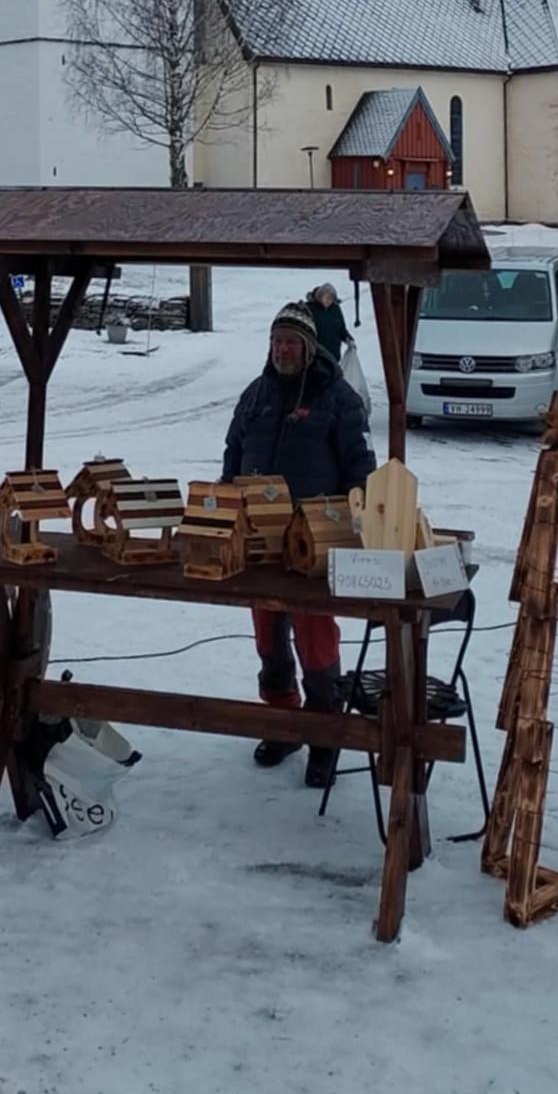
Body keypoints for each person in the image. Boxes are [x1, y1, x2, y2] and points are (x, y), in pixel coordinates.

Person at [222, 301, 374, 788]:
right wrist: (227, 507)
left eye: (291, 342)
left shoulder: (339, 399)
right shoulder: (255, 395)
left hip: (315, 541)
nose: (283, 350)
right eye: (277, 341)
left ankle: (324, 734)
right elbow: (232, 456)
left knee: (315, 641)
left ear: (309, 349)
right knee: (269, 639)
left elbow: (360, 468)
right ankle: (284, 723)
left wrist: (361, 523)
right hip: (260, 542)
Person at [308, 282, 351, 364]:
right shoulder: (310, 309)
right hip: (316, 356)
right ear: (320, 297)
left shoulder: (336, 310)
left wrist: (347, 338)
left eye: (331, 299)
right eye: (327, 298)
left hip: (333, 356)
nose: (329, 301)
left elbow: (341, 328)